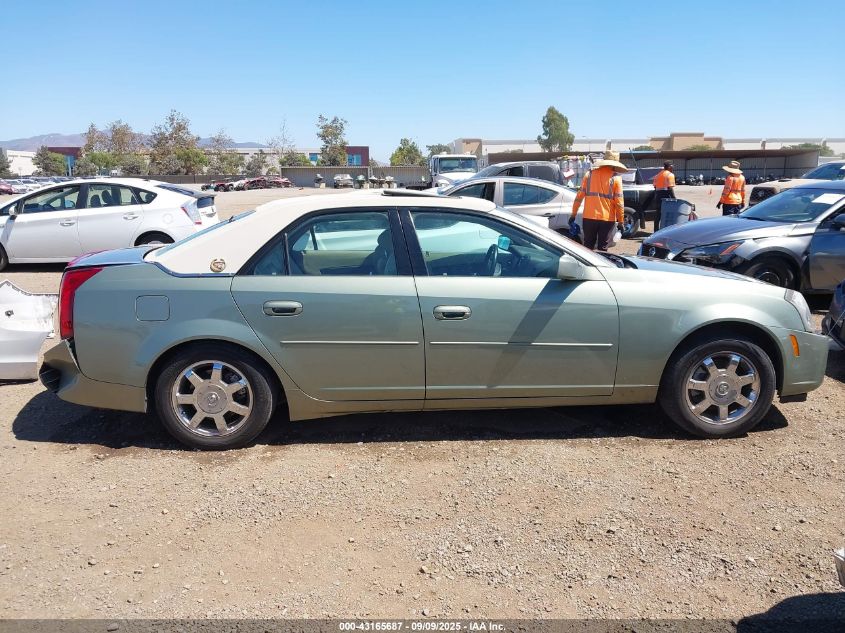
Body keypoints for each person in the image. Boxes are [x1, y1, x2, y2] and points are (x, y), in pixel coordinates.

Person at [569, 150, 626, 251]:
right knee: (602, 249)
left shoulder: (589, 174)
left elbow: (579, 197)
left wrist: (573, 215)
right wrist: (621, 221)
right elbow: (619, 203)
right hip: (607, 219)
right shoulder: (616, 178)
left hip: (589, 217)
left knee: (587, 247)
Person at [652, 160, 676, 231]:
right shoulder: (670, 175)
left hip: (658, 196)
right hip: (666, 197)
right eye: (672, 166)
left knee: (658, 215)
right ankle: (665, 231)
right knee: (667, 215)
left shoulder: (658, 175)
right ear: (669, 167)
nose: (673, 167)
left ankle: (656, 231)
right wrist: (674, 199)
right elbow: (670, 188)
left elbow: (655, 187)